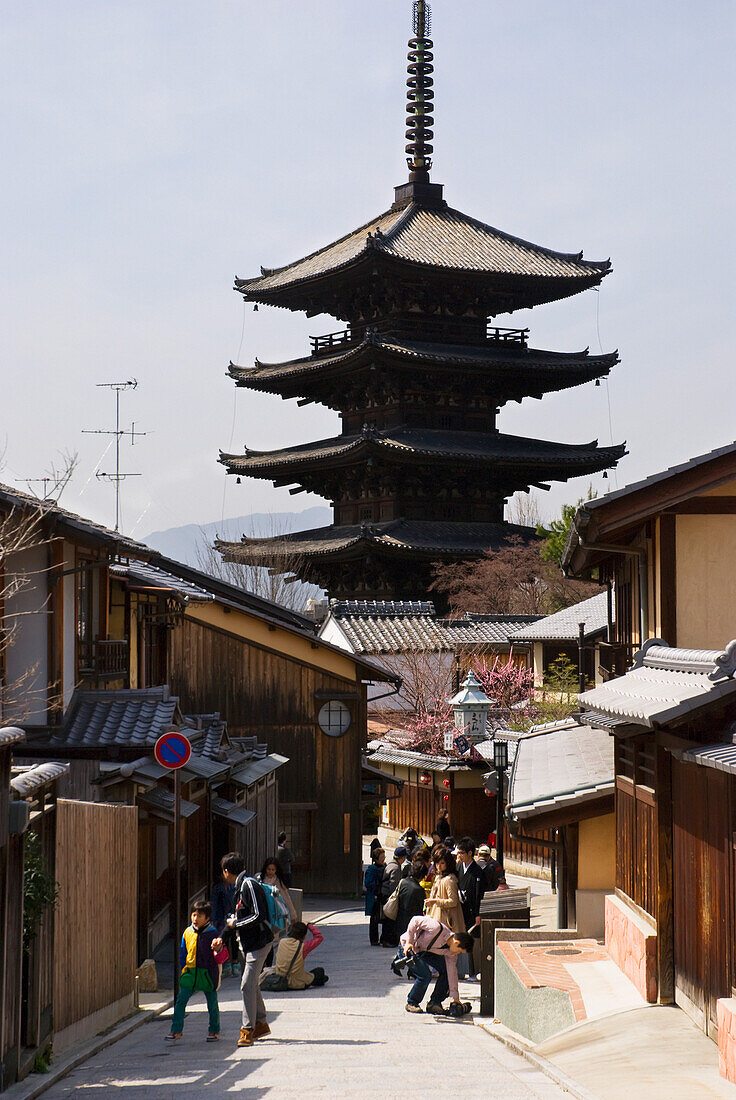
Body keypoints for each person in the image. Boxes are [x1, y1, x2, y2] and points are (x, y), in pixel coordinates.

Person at [223, 853, 274, 1047]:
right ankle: (261, 1023)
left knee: (246, 984)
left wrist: (237, 923)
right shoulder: (241, 885)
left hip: (259, 942)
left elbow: (259, 915)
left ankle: (247, 1030)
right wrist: (225, 934)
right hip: (250, 943)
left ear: (227, 871)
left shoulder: (248, 885)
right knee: (251, 983)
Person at [167, 902, 224, 1043]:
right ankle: (176, 1030)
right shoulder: (187, 933)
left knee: (212, 1003)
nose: (195, 918)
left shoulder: (213, 933)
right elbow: (183, 952)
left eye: (199, 915)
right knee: (181, 1000)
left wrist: (218, 948)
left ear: (207, 918)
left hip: (207, 973)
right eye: (193, 915)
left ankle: (214, 1031)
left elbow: (220, 954)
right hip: (190, 972)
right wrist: (183, 969)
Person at [400, 915, 475, 1014]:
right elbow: (414, 920)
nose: (458, 953)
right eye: (460, 951)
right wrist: (409, 941)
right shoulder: (436, 928)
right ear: (456, 943)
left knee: (446, 971)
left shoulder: (451, 953)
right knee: (425, 975)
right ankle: (412, 1003)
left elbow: (452, 973)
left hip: (425, 951)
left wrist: (455, 998)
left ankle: (434, 1003)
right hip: (408, 948)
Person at [456, 838, 486, 978]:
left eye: (461, 853)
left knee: (473, 941)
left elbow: (480, 894)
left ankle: (474, 971)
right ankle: (462, 970)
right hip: (460, 909)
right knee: (460, 938)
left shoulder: (478, 871)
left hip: (473, 910)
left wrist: (478, 913)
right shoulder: (458, 868)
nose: (459, 855)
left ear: (469, 853)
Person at [272, 921, 328, 989]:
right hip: (296, 983)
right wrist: (309, 925)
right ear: (304, 936)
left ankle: (321, 979)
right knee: (320, 971)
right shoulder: (303, 947)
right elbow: (319, 937)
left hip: (279, 979)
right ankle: (321, 979)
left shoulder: (282, 942)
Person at [211, 855, 241, 978]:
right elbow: (214, 904)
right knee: (223, 939)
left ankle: (235, 962)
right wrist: (213, 919)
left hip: (233, 916)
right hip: (221, 917)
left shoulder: (236, 886)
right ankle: (226, 963)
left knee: (234, 939)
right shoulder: (218, 889)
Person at [425, 848, 465, 933]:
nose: (439, 866)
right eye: (437, 863)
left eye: (442, 863)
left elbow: (453, 901)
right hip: (438, 916)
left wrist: (436, 901)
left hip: (448, 920)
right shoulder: (439, 876)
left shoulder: (449, 879)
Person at [394, 861, 428, 938]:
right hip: (412, 923)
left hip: (400, 920)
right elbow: (422, 908)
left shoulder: (403, 882)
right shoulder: (419, 889)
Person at [364, 847, 386, 946]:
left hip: (382, 896)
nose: (384, 858)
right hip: (374, 897)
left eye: (384, 856)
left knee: (383, 918)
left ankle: (382, 938)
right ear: (376, 858)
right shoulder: (372, 869)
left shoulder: (384, 867)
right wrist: (377, 887)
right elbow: (368, 883)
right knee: (374, 919)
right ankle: (374, 940)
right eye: (382, 856)